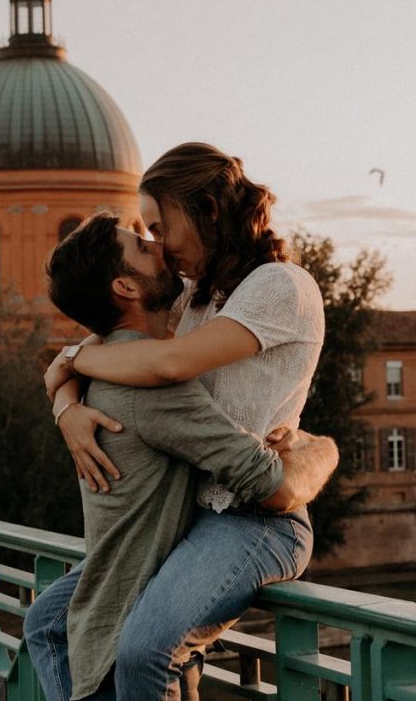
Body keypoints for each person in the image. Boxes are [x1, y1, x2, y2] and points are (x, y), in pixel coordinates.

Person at [41, 143, 331, 700]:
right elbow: (106, 343)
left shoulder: (278, 287)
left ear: (208, 211)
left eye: (159, 226)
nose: (161, 248)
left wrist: (73, 367)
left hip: (253, 517)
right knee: (49, 622)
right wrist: (67, 408)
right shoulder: (193, 297)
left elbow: (164, 364)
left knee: (146, 650)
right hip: (185, 519)